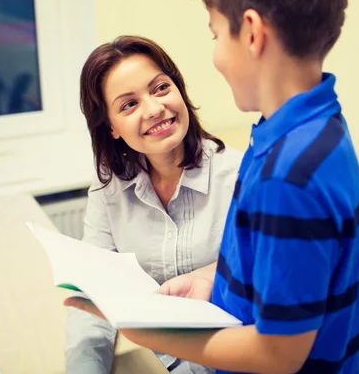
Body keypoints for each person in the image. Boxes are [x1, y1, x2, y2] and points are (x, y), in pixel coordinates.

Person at [66, 0, 359, 373]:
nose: (215, 58)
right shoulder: (307, 129)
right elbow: (265, 272)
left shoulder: (287, 175)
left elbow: (278, 353)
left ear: (250, 33)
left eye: (214, 33)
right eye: (128, 104)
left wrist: (142, 329)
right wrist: (213, 277)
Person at [66, 35, 241, 374]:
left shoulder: (241, 178)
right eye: (128, 104)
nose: (154, 108)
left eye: (160, 88)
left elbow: (256, 305)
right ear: (112, 127)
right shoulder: (109, 188)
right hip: (149, 361)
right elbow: (93, 301)